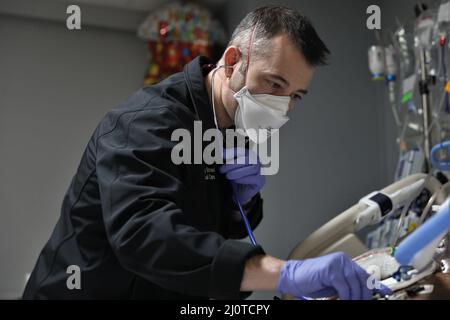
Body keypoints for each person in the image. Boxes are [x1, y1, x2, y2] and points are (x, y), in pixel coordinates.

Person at [23, 6, 391, 300]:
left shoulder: (232, 123)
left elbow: (205, 226)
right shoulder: (145, 122)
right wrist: (284, 274)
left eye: (295, 96)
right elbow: (144, 235)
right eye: (274, 83)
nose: (282, 106)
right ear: (232, 62)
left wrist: (240, 206)